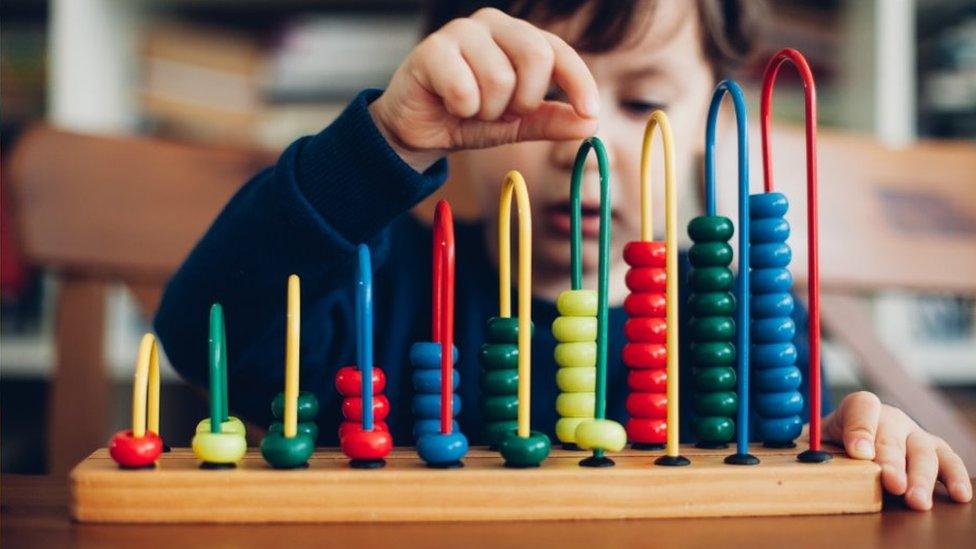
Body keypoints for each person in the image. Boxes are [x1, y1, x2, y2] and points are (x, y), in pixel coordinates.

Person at [155, 0, 971, 510]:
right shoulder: (378, 280)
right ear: (455, 100)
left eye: (644, 100)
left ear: (707, 120)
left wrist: (855, 438)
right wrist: (382, 146)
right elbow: (202, 331)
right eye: (531, 93)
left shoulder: (738, 318)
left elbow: (787, 473)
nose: (582, 137)